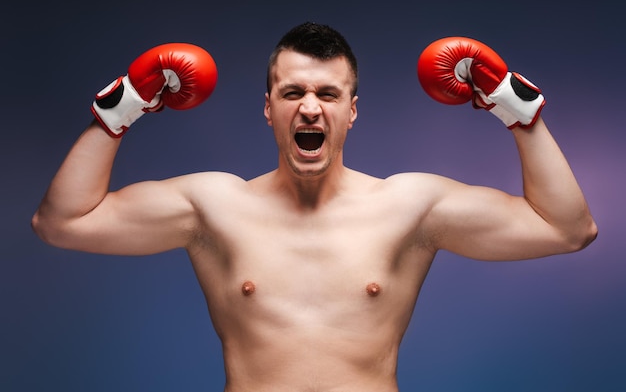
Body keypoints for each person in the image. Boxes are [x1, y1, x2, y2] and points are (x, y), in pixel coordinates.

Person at [32, 22, 597, 392]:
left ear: (352, 112)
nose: (310, 109)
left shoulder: (410, 205)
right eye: (292, 93)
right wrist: (124, 105)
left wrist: (512, 106)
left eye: (327, 95)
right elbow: (63, 222)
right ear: (268, 110)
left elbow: (567, 228)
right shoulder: (212, 205)